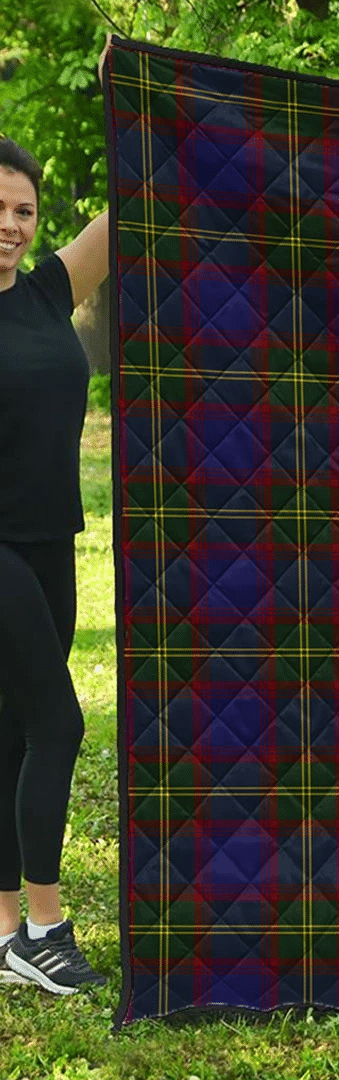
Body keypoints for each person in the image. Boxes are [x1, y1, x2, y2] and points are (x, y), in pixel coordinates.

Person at [0, 135, 109, 992]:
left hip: (50, 542)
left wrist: (140, 90)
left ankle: (5, 933)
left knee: (11, 731)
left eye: (23, 210)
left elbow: (132, 211)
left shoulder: (45, 291)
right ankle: (44, 927)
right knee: (59, 724)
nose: (10, 224)